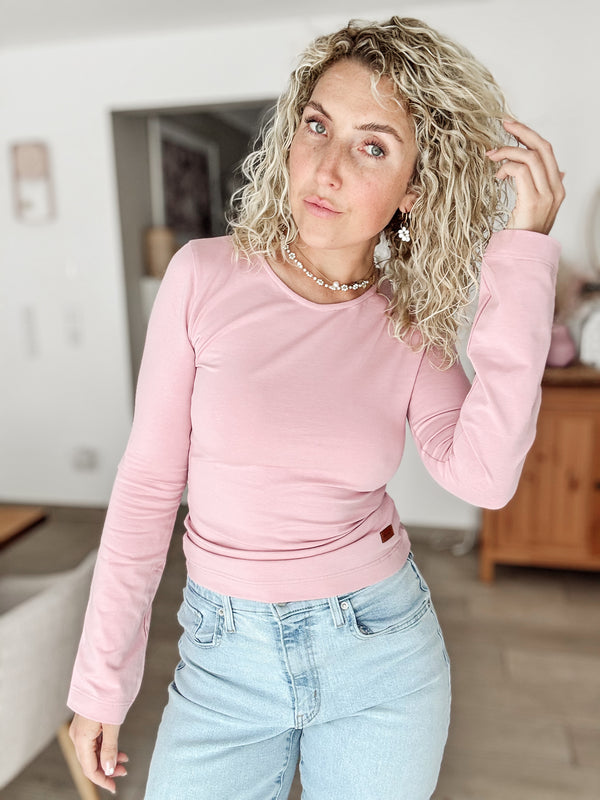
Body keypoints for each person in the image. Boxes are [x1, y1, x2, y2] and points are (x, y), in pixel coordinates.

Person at [68, 16, 564, 800]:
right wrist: (101, 682)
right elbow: (147, 488)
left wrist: (526, 256)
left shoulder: (410, 327)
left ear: (415, 188)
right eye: (318, 126)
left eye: (373, 147)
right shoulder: (203, 278)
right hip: (222, 662)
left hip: (380, 657)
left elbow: (484, 477)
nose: (326, 168)